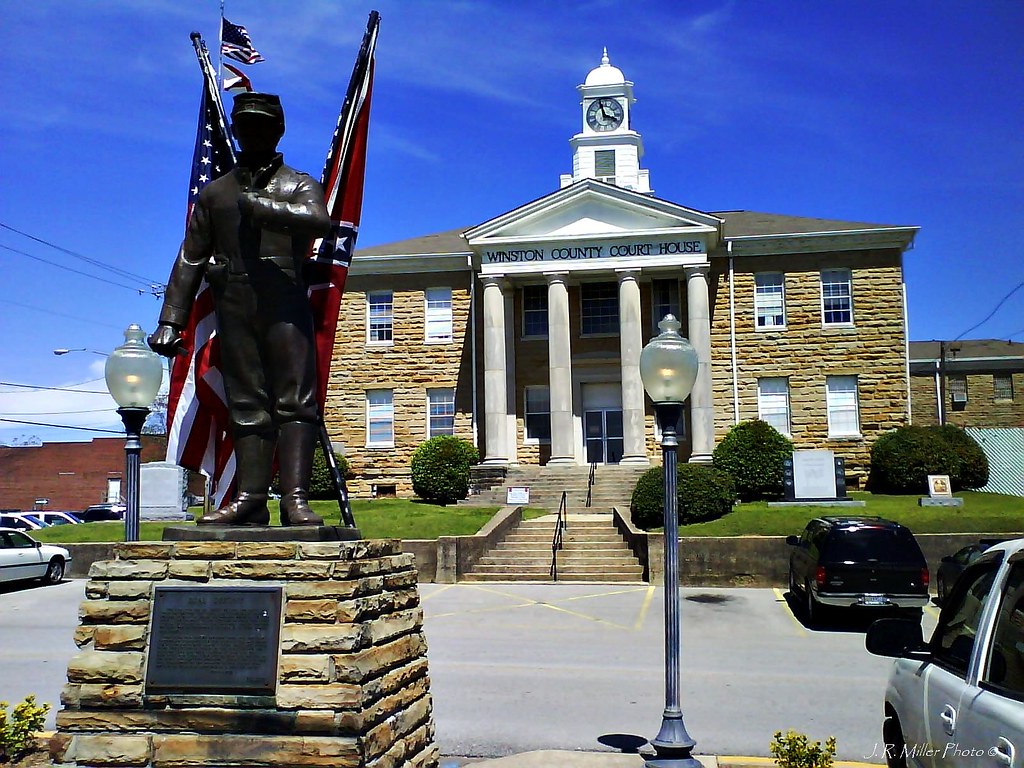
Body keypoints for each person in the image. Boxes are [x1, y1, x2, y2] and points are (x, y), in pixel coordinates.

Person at [148, 92, 331, 527]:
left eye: (261, 126)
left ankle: (296, 500)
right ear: (235, 130)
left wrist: (262, 207)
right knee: (246, 401)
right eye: (245, 126)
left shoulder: (298, 184)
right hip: (235, 302)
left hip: (284, 300)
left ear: (278, 131)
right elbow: (191, 256)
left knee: (295, 401)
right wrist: (171, 320)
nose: (252, 133)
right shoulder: (216, 194)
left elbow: (319, 220)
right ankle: (250, 498)